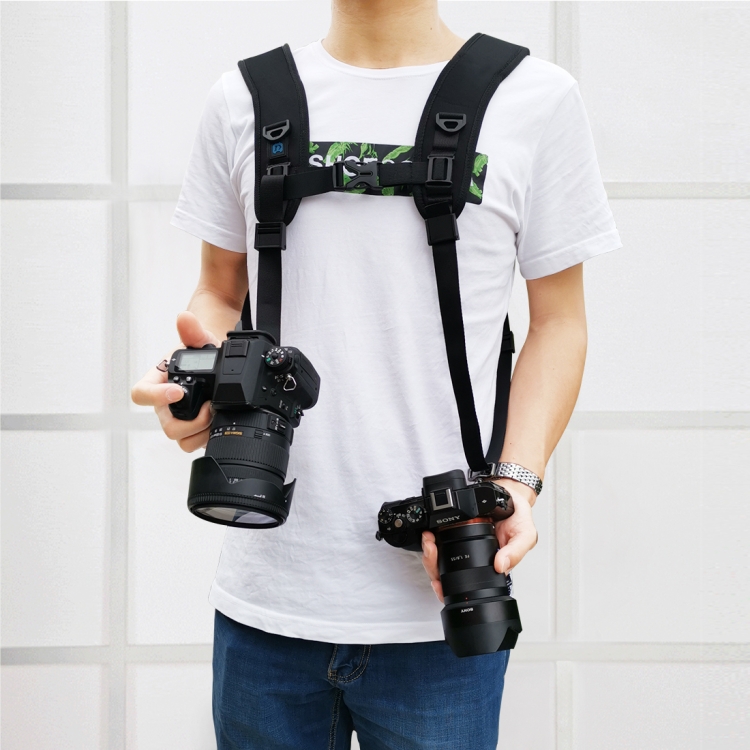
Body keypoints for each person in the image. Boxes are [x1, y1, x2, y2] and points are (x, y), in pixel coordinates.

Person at [131, 1, 622, 747]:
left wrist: (516, 482)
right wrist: (195, 384)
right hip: (267, 592)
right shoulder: (244, 97)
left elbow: (560, 322)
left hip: (443, 599)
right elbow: (219, 292)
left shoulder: (534, 97)